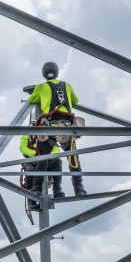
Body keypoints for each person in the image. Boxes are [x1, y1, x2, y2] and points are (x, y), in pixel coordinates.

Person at [24, 61, 87, 199]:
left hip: (49, 126)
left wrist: (41, 96)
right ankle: (79, 189)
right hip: (66, 127)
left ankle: (37, 189)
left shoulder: (41, 87)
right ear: (57, 72)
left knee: (43, 158)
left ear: (44, 74)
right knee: (73, 158)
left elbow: (32, 100)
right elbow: (75, 100)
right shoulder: (67, 85)